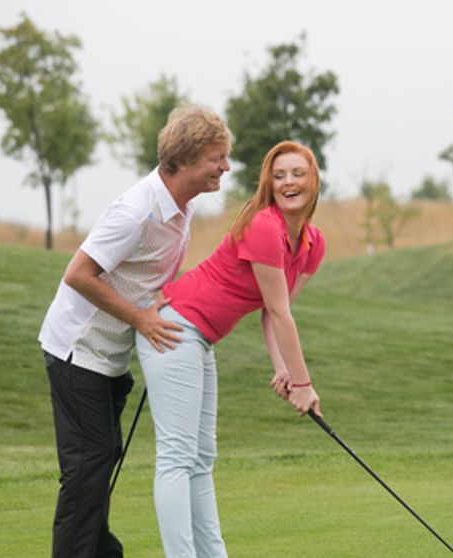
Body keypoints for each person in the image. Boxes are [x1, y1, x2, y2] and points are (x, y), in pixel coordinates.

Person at [38, 104, 231, 558]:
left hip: (109, 357)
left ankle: (103, 551)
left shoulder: (181, 208)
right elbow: (78, 274)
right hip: (76, 352)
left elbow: (147, 274)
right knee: (88, 466)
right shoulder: (136, 211)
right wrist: (142, 319)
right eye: (217, 158)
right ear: (183, 160)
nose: (225, 166)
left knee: (101, 459)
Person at [136, 140, 325, 557]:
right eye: (279, 176)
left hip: (199, 337)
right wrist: (303, 383)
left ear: (314, 179)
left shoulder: (312, 244)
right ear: (269, 184)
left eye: (298, 173)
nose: (288, 182)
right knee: (178, 457)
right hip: (174, 328)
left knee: (203, 458)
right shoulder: (264, 226)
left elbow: (272, 311)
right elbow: (279, 313)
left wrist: (283, 371)